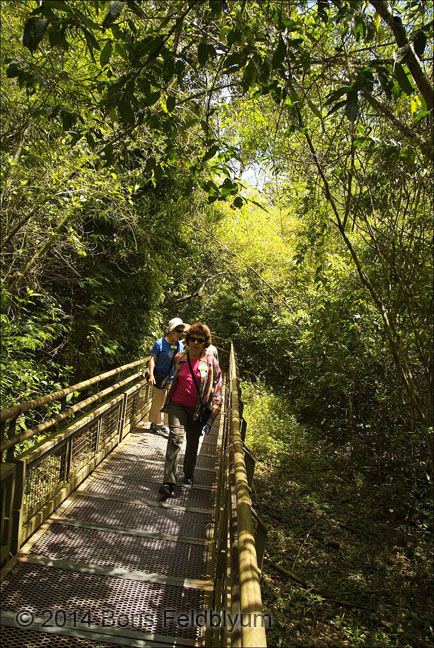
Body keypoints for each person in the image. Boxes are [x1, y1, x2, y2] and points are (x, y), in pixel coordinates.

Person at [159, 322, 223, 497]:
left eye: (200, 340)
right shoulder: (180, 357)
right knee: (175, 439)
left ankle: (188, 473)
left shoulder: (210, 361)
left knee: (193, 441)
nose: (196, 343)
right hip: (177, 405)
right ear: (187, 340)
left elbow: (218, 381)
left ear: (205, 343)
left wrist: (217, 403)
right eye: (193, 339)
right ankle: (168, 482)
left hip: (198, 408)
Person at [148, 318, 189, 437]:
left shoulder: (179, 345)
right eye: (178, 330)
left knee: (169, 402)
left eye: (182, 331)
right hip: (160, 376)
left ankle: (166, 425)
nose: (180, 333)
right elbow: (152, 359)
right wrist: (151, 374)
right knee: (157, 400)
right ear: (171, 330)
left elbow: (180, 361)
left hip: (173, 378)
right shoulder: (159, 343)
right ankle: (154, 423)